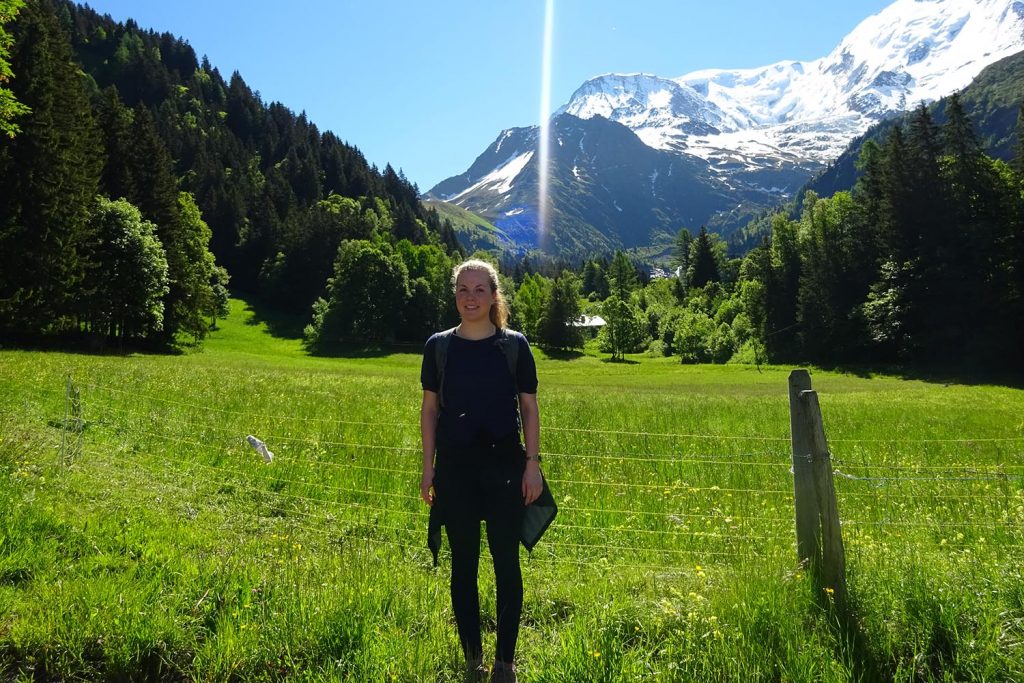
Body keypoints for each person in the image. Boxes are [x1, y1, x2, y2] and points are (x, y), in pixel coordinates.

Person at [420, 259, 542, 683]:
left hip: (507, 468)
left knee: (507, 564)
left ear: (494, 296)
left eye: (479, 290)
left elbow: (528, 406)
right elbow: (430, 410)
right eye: (462, 290)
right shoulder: (439, 346)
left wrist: (533, 465)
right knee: (464, 567)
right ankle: (473, 660)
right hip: (455, 471)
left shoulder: (514, 345)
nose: (470, 298)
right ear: (455, 296)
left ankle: (505, 664)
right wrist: (427, 467)